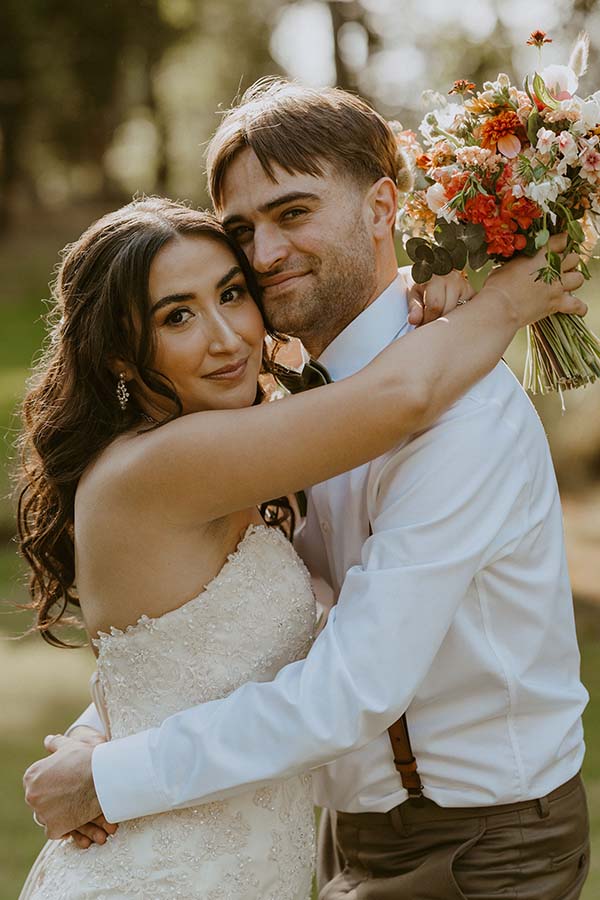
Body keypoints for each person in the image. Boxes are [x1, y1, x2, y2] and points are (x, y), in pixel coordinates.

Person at [23, 81, 589, 900]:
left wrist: (111, 771)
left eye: (293, 214)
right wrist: (104, 733)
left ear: (382, 207)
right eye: (242, 230)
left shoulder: (460, 412)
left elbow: (349, 691)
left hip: (475, 846)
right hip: (329, 834)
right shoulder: (277, 420)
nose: (262, 254)